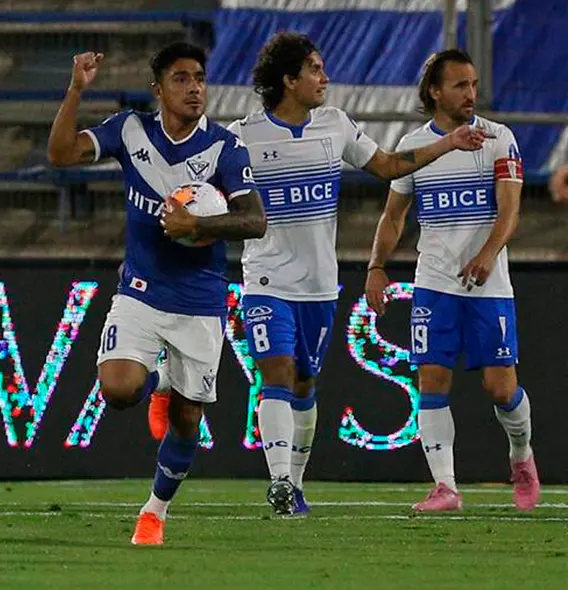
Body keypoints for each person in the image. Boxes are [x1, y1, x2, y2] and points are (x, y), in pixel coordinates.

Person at [148, 33, 490, 516]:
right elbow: (196, 202)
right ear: (289, 80)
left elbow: (390, 166)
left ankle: (296, 484)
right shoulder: (242, 138)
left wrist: (449, 141)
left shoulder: (336, 127)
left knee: (305, 386)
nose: (324, 78)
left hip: (320, 288)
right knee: (277, 374)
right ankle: (280, 481)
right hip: (265, 282)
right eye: (314, 69)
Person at [48, 42, 266, 545]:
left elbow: (255, 220)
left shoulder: (224, 148)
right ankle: (155, 381)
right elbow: (59, 154)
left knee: (188, 418)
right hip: (141, 292)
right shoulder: (131, 130)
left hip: (200, 299)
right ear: (158, 90)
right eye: (181, 79)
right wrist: (76, 90)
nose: (194, 88)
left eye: (199, 79)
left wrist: (200, 222)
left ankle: (154, 511)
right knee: (119, 389)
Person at [365, 49, 540, 512]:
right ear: (435, 92)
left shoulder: (499, 139)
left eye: (474, 85)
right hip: (434, 282)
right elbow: (393, 216)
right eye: (461, 85)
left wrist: (487, 254)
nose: (471, 94)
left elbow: (511, 210)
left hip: (489, 286)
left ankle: (521, 454)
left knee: (500, 389)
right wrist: (376, 267)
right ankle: (446, 488)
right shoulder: (416, 145)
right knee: (432, 379)